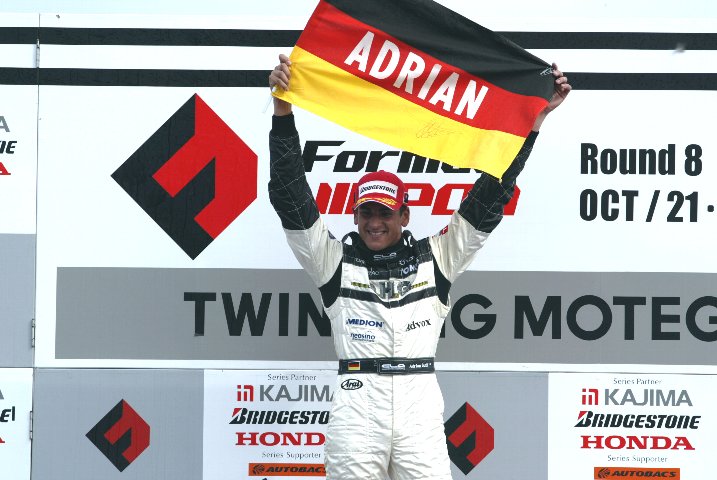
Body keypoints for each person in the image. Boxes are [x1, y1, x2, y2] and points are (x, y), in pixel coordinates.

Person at [268, 53, 570, 480]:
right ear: (355, 215)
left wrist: (532, 122)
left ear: (404, 216)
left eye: (385, 213)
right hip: (357, 410)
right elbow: (290, 195)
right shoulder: (332, 259)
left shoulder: (438, 257)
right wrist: (283, 111)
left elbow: (491, 196)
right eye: (366, 213)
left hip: (419, 411)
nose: (374, 223)